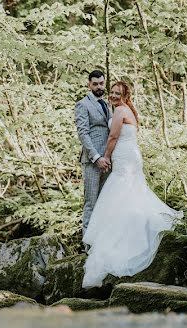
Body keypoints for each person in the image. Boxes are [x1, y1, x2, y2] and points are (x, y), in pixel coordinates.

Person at [82, 81, 182, 288]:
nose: (114, 95)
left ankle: (123, 238)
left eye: (118, 93)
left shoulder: (120, 110)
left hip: (124, 157)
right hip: (130, 155)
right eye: (112, 92)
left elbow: (113, 136)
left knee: (120, 194)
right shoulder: (127, 110)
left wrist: (106, 157)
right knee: (131, 194)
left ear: (125, 95)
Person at [74, 70, 112, 234]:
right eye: (95, 84)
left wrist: (108, 157)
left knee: (105, 202)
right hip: (92, 161)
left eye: (101, 83)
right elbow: (83, 133)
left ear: (105, 83)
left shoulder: (108, 104)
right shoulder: (83, 104)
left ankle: (101, 240)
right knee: (91, 202)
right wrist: (97, 158)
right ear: (89, 84)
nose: (98, 87)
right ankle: (88, 245)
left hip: (108, 161)